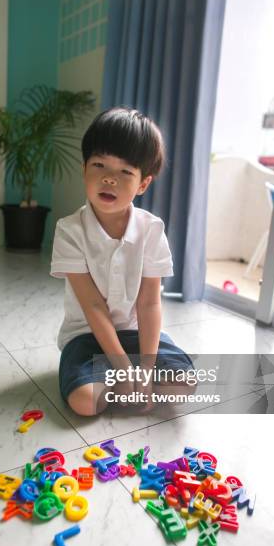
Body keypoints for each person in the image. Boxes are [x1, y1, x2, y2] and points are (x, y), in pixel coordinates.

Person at [50, 106, 195, 416]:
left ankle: (132, 385)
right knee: (84, 403)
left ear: (143, 184)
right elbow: (93, 306)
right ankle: (118, 383)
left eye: (125, 172)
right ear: (84, 169)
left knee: (185, 386)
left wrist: (144, 367)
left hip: (135, 335)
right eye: (99, 165)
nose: (109, 179)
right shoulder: (69, 230)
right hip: (86, 336)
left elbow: (149, 304)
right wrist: (122, 369)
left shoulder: (152, 229)